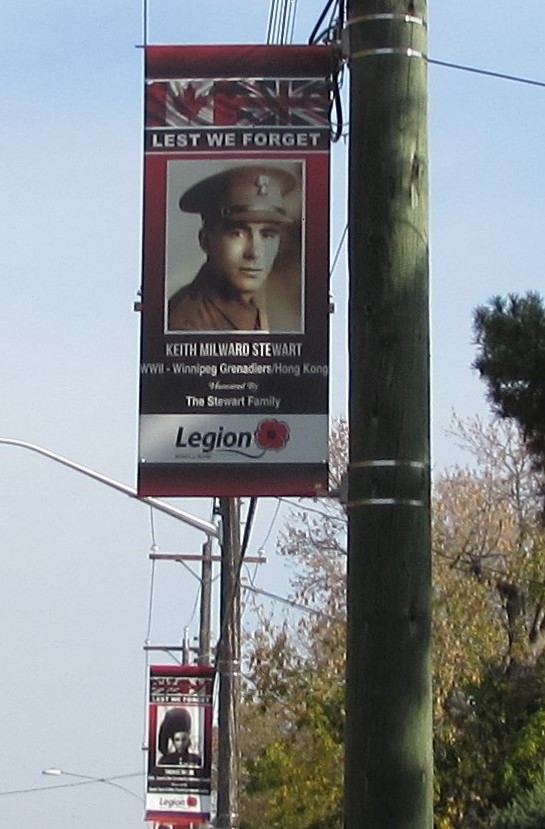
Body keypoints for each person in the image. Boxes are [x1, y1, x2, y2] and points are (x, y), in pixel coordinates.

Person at [167, 165, 297, 332]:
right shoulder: (186, 325)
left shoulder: (252, 304)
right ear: (206, 241)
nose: (255, 253)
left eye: (267, 235)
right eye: (237, 233)